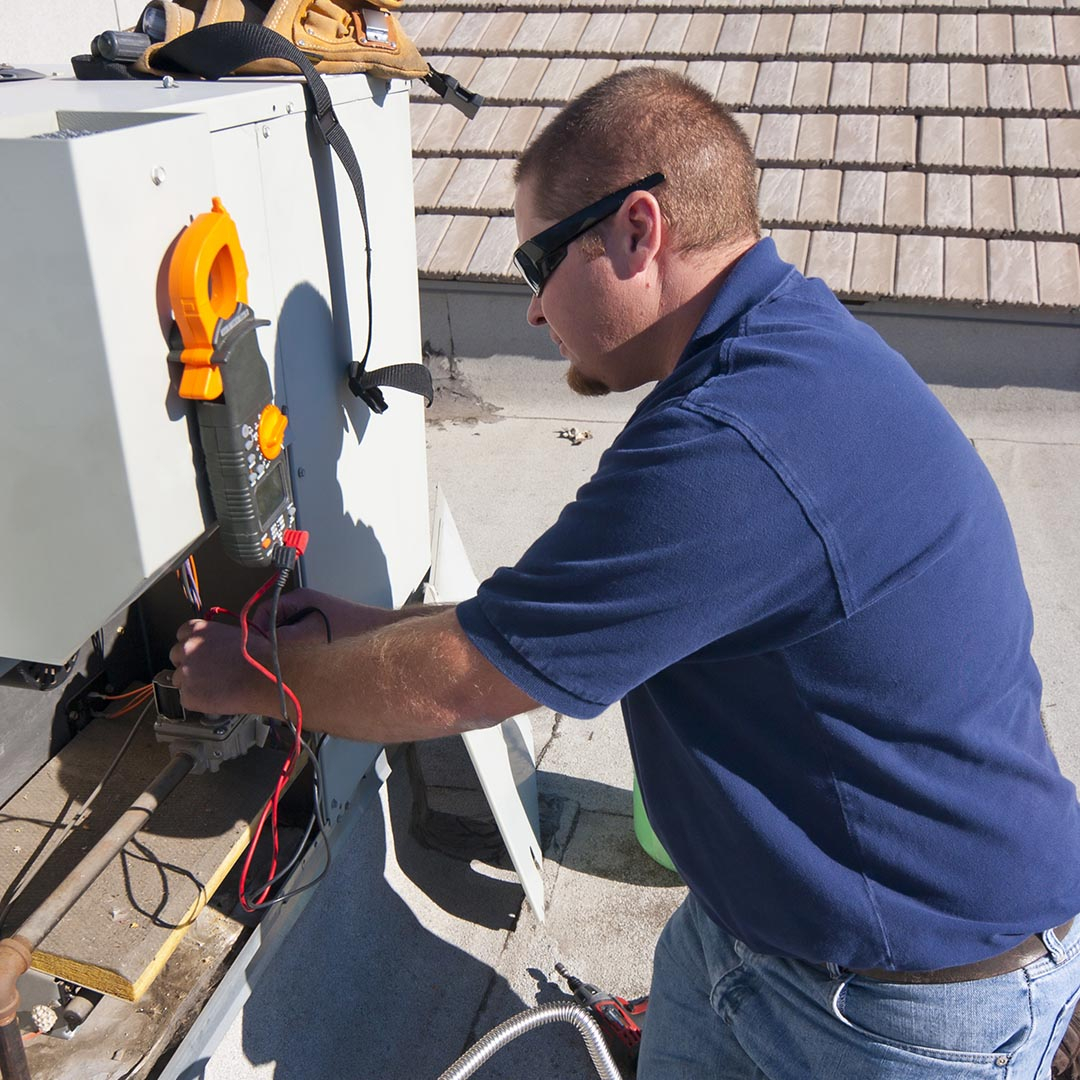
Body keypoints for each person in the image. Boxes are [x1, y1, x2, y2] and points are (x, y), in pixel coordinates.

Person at [171, 69, 1080, 1078]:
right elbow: (538, 627)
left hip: (908, 1002)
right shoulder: (779, 354)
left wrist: (251, 677)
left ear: (636, 231)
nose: (530, 312)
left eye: (536, 263)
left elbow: (465, 682)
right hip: (744, 931)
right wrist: (360, 625)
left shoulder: (736, 439)